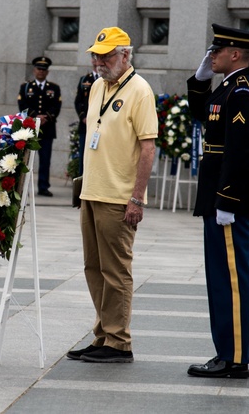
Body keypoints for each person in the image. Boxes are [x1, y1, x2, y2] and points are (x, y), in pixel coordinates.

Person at [70, 27, 157, 364]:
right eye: (95, 55)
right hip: (92, 191)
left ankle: (119, 341)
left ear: (125, 55)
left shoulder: (140, 90)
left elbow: (148, 148)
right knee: (94, 267)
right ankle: (103, 333)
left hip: (119, 196)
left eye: (105, 55)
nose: (98, 61)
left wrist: (137, 198)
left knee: (116, 270)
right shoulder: (96, 87)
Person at [185, 24, 249, 380]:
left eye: (216, 51)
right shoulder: (227, 88)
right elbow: (200, 111)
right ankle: (225, 353)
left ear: (235, 53)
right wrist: (201, 79)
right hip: (216, 191)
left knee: (231, 278)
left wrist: (227, 199)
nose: (211, 54)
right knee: (219, 277)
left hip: (229, 195)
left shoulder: (244, 92)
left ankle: (234, 358)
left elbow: (240, 151)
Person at [17, 56, 63, 197]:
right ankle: (23, 185)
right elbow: (22, 105)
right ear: (34, 70)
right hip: (30, 129)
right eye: (38, 69)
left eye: (44, 69)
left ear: (47, 72)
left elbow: (57, 106)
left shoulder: (54, 88)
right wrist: (35, 116)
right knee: (26, 159)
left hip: (47, 129)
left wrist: (46, 117)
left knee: (45, 160)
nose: (41, 72)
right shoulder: (26, 87)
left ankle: (43, 186)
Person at [74, 67, 97, 177]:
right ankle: (82, 182)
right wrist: (83, 117)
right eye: (95, 57)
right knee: (84, 155)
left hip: (100, 126)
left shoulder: (108, 79)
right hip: (85, 125)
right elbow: (78, 101)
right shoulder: (85, 79)